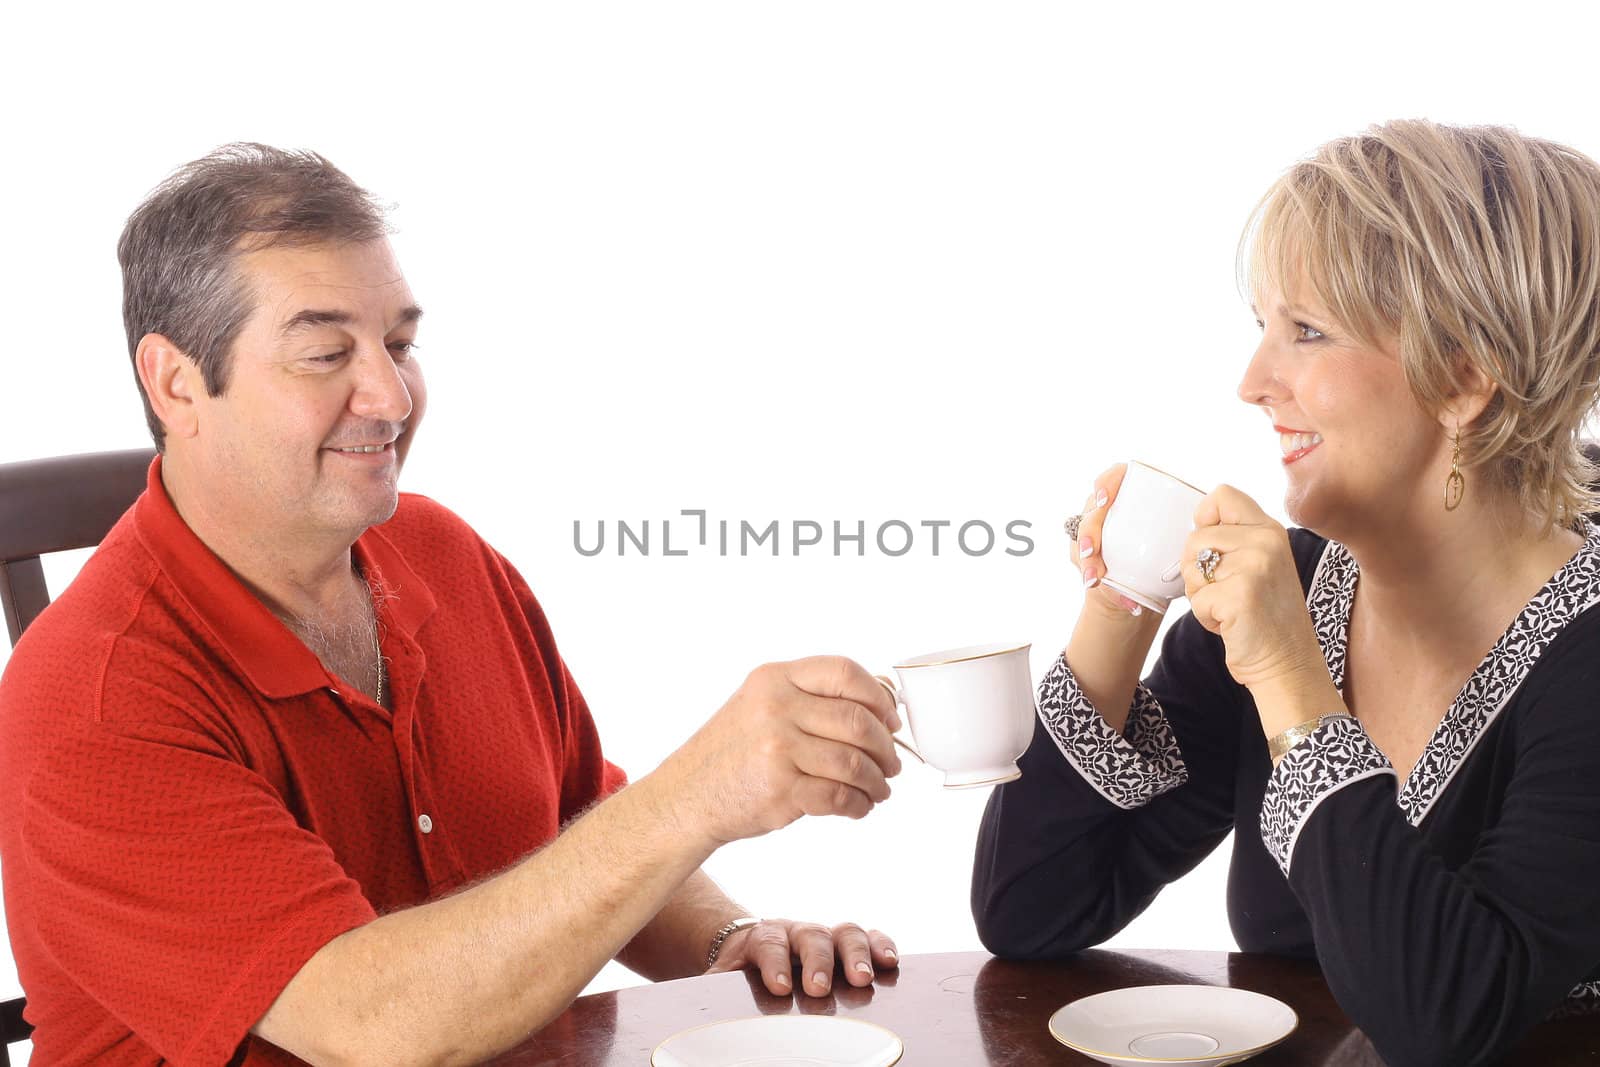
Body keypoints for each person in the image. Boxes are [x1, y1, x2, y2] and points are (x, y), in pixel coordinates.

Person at [0, 144, 904, 1066]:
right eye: (323, 354)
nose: (390, 397)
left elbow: (577, 820)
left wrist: (722, 944)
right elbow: (374, 1027)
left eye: (398, 343)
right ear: (176, 382)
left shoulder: (443, 552)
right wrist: (701, 792)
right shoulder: (93, 704)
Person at [971, 119, 1600, 1067]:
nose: (1253, 381)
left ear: (1466, 375)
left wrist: (1285, 674)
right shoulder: (1301, 588)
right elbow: (1028, 910)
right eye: (1262, 328)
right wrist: (1123, 601)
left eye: (1306, 331)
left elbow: (1446, 1018)